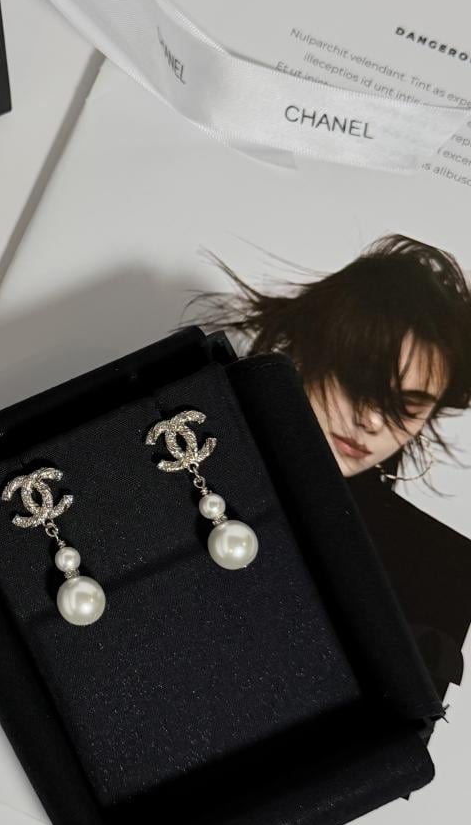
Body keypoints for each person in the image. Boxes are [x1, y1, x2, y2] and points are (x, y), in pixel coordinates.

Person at [196, 233, 471, 698]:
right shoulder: (188, 453)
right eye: (358, 381)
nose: (370, 421)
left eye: (408, 404)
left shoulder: (440, 568)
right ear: (308, 348)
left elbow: (393, 743)